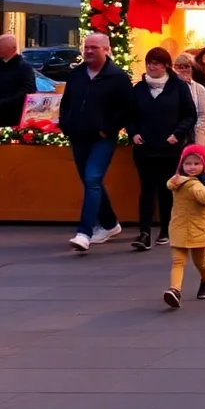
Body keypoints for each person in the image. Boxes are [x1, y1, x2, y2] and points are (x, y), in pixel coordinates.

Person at [61, 34, 135, 251]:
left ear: (106, 50)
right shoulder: (76, 74)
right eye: (86, 47)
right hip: (78, 136)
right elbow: (66, 103)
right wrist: (66, 123)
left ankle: (84, 232)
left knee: (93, 178)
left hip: (103, 138)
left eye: (94, 47)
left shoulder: (118, 77)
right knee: (90, 180)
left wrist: (109, 129)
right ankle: (111, 224)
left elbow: (127, 108)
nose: (89, 51)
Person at [129, 47, 199, 251]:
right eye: (149, 62)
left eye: (157, 63)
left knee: (166, 188)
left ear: (166, 65)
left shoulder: (178, 87)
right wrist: (133, 133)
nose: (152, 66)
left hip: (169, 148)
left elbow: (190, 115)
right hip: (145, 147)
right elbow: (130, 115)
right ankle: (144, 233)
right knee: (147, 188)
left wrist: (177, 134)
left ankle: (166, 230)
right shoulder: (139, 88)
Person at [163, 144, 205, 309]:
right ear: (181, 165)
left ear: (203, 165)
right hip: (192, 227)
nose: (191, 167)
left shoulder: (176, 181)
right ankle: (175, 290)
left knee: (199, 262)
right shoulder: (193, 184)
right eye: (188, 163)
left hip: (185, 227)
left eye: (196, 164)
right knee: (179, 261)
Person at [0, 34, 36, 127]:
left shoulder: (23, 67)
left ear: (9, 48)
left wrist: (5, 102)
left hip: (14, 116)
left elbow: (29, 89)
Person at [173, 53, 205, 146]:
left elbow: (204, 115)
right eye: (179, 67)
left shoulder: (200, 88)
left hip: (194, 134)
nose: (183, 70)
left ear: (192, 68)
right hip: (173, 135)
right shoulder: (169, 87)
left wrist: (198, 139)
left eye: (187, 66)